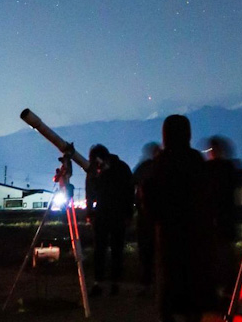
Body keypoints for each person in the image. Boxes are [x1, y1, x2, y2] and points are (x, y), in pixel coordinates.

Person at [143, 115, 214, 322]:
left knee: (168, 277)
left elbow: (151, 193)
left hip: (168, 230)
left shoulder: (161, 162)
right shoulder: (195, 160)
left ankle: (169, 315)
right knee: (193, 277)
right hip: (195, 230)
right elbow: (206, 194)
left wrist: (155, 218)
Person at [85, 143, 134, 296]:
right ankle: (99, 282)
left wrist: (128, 214)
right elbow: (89, 193)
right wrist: (90, 212)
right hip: (102, 214)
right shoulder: (96, 169)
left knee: (116, 250)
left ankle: (115, 283)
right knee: (100, 250)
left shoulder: (122, 168)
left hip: (117, 214)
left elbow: (129, 192)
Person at [205, 135, 239, 303]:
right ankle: (228, 291)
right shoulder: (230, 167)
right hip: (225, 220)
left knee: (217, 257)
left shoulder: (210, 169)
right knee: (224, 257)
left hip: (214, 221)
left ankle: (220, 292)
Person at [132, 141, 161, 295]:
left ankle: (147, 284)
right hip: (155, 218)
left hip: (146, 217)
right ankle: (154, 284)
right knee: (154, 253)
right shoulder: (162, 168)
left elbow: (133, 182)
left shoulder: (144, 169)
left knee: (147, 253)